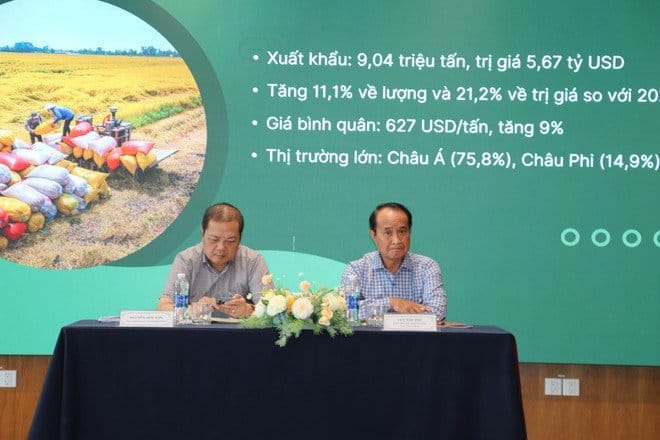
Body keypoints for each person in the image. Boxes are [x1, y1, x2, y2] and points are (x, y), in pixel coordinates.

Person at [157, 202, 274, 318]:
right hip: (197, 329)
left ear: (240, 238)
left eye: (230, 240)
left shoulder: (252, 261)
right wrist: (193, 310)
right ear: (203, 233)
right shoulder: (186, 260)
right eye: (214, 239)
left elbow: (271, 309)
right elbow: (163, 306)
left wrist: (249, 310)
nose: (221, 247)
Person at [341, 202, 447, 320]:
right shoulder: (356, 270)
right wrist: (392, 303)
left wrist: (378, 310)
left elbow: (437, 312)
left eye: (402, 231)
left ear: (409, 232)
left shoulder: (427, 267)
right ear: (373, 235)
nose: (396, 241)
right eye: (388, 233)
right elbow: (345, 312)